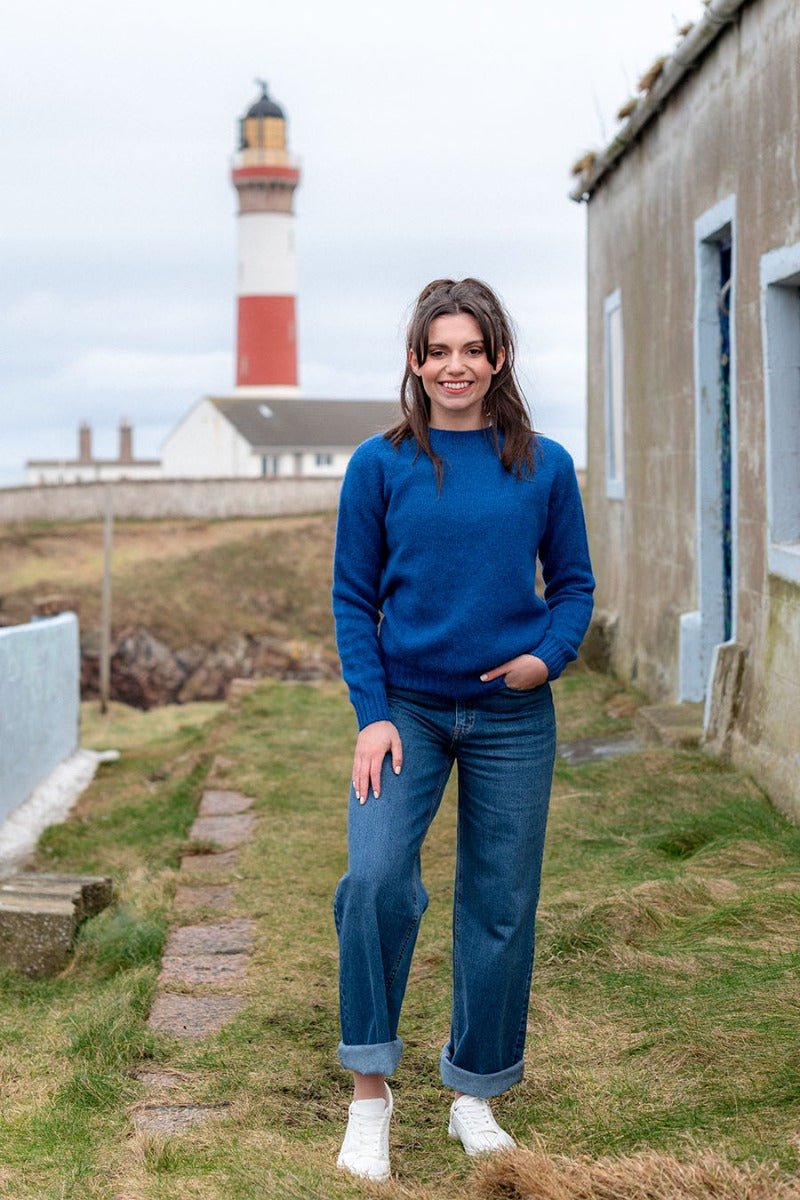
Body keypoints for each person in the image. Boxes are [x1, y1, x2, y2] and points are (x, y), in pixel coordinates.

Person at [331, 278, 594, 1182]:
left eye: (471, 349)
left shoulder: (545, 464)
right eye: (437, 350)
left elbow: (574, 586)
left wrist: (546, 658)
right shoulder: (380, 466)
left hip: (514, 716)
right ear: (415, 361)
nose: (455, 365)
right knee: (373, 881)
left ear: (498, 358)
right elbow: (352, 599)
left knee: (500, 903)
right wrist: (371, 717)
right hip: (406, 710)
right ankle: (371, 1093)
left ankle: (474, 1092)